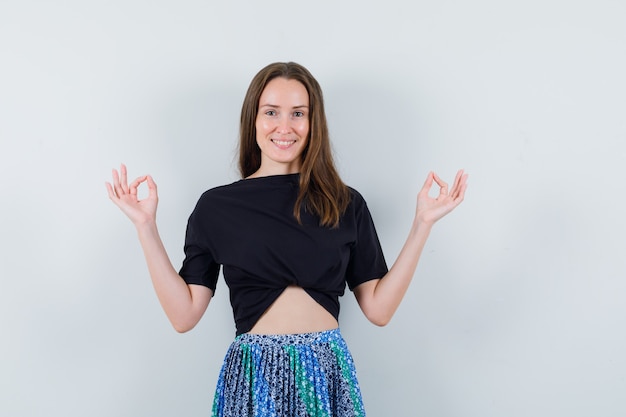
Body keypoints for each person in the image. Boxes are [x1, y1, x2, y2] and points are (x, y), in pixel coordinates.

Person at [106, 61, 468, 417]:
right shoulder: (217, 206)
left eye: (298, 113)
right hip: (253, 377)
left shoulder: (344, 202)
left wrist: (422, 224)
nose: (284, 126)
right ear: (254, 120)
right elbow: (183, 315)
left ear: (314, 123)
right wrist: (146, 227)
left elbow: (379, 309)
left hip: (326, 375)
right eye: (271, 112)